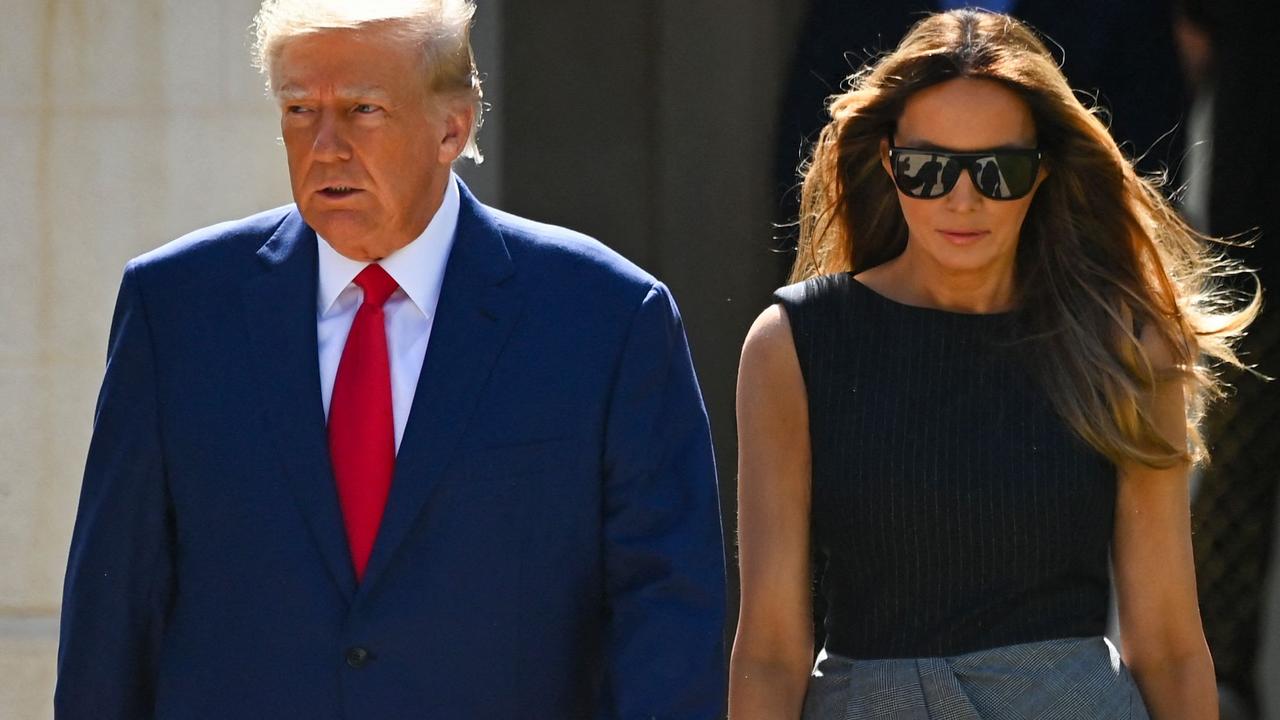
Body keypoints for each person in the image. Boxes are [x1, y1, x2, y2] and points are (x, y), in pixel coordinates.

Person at [54, 1, 725, 718]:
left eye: (364, 110)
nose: (326, 146)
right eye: (300, 109)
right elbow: (111, 612)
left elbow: (668, 622)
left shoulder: (606, 318)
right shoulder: (177, 309)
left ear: (453, 127)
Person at [731, 9, 1256, 720]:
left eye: (998, 170)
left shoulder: (1123, 344)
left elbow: (1166, 643)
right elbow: (768, 648)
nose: (962, 198)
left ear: (1042, 172)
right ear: (889, 164)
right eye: (928, 168)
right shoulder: (791, 345)